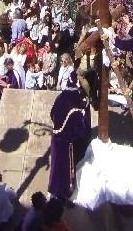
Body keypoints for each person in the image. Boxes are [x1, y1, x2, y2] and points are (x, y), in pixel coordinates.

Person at [47, 71, 90, 200]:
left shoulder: (61, 96)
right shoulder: (75, 101)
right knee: (64, 169)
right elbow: (79, 128)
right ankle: (62, 194)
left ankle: (53, 191)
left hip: (55, 139)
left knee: (55, 165)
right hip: (66, 143)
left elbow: (52, 113)